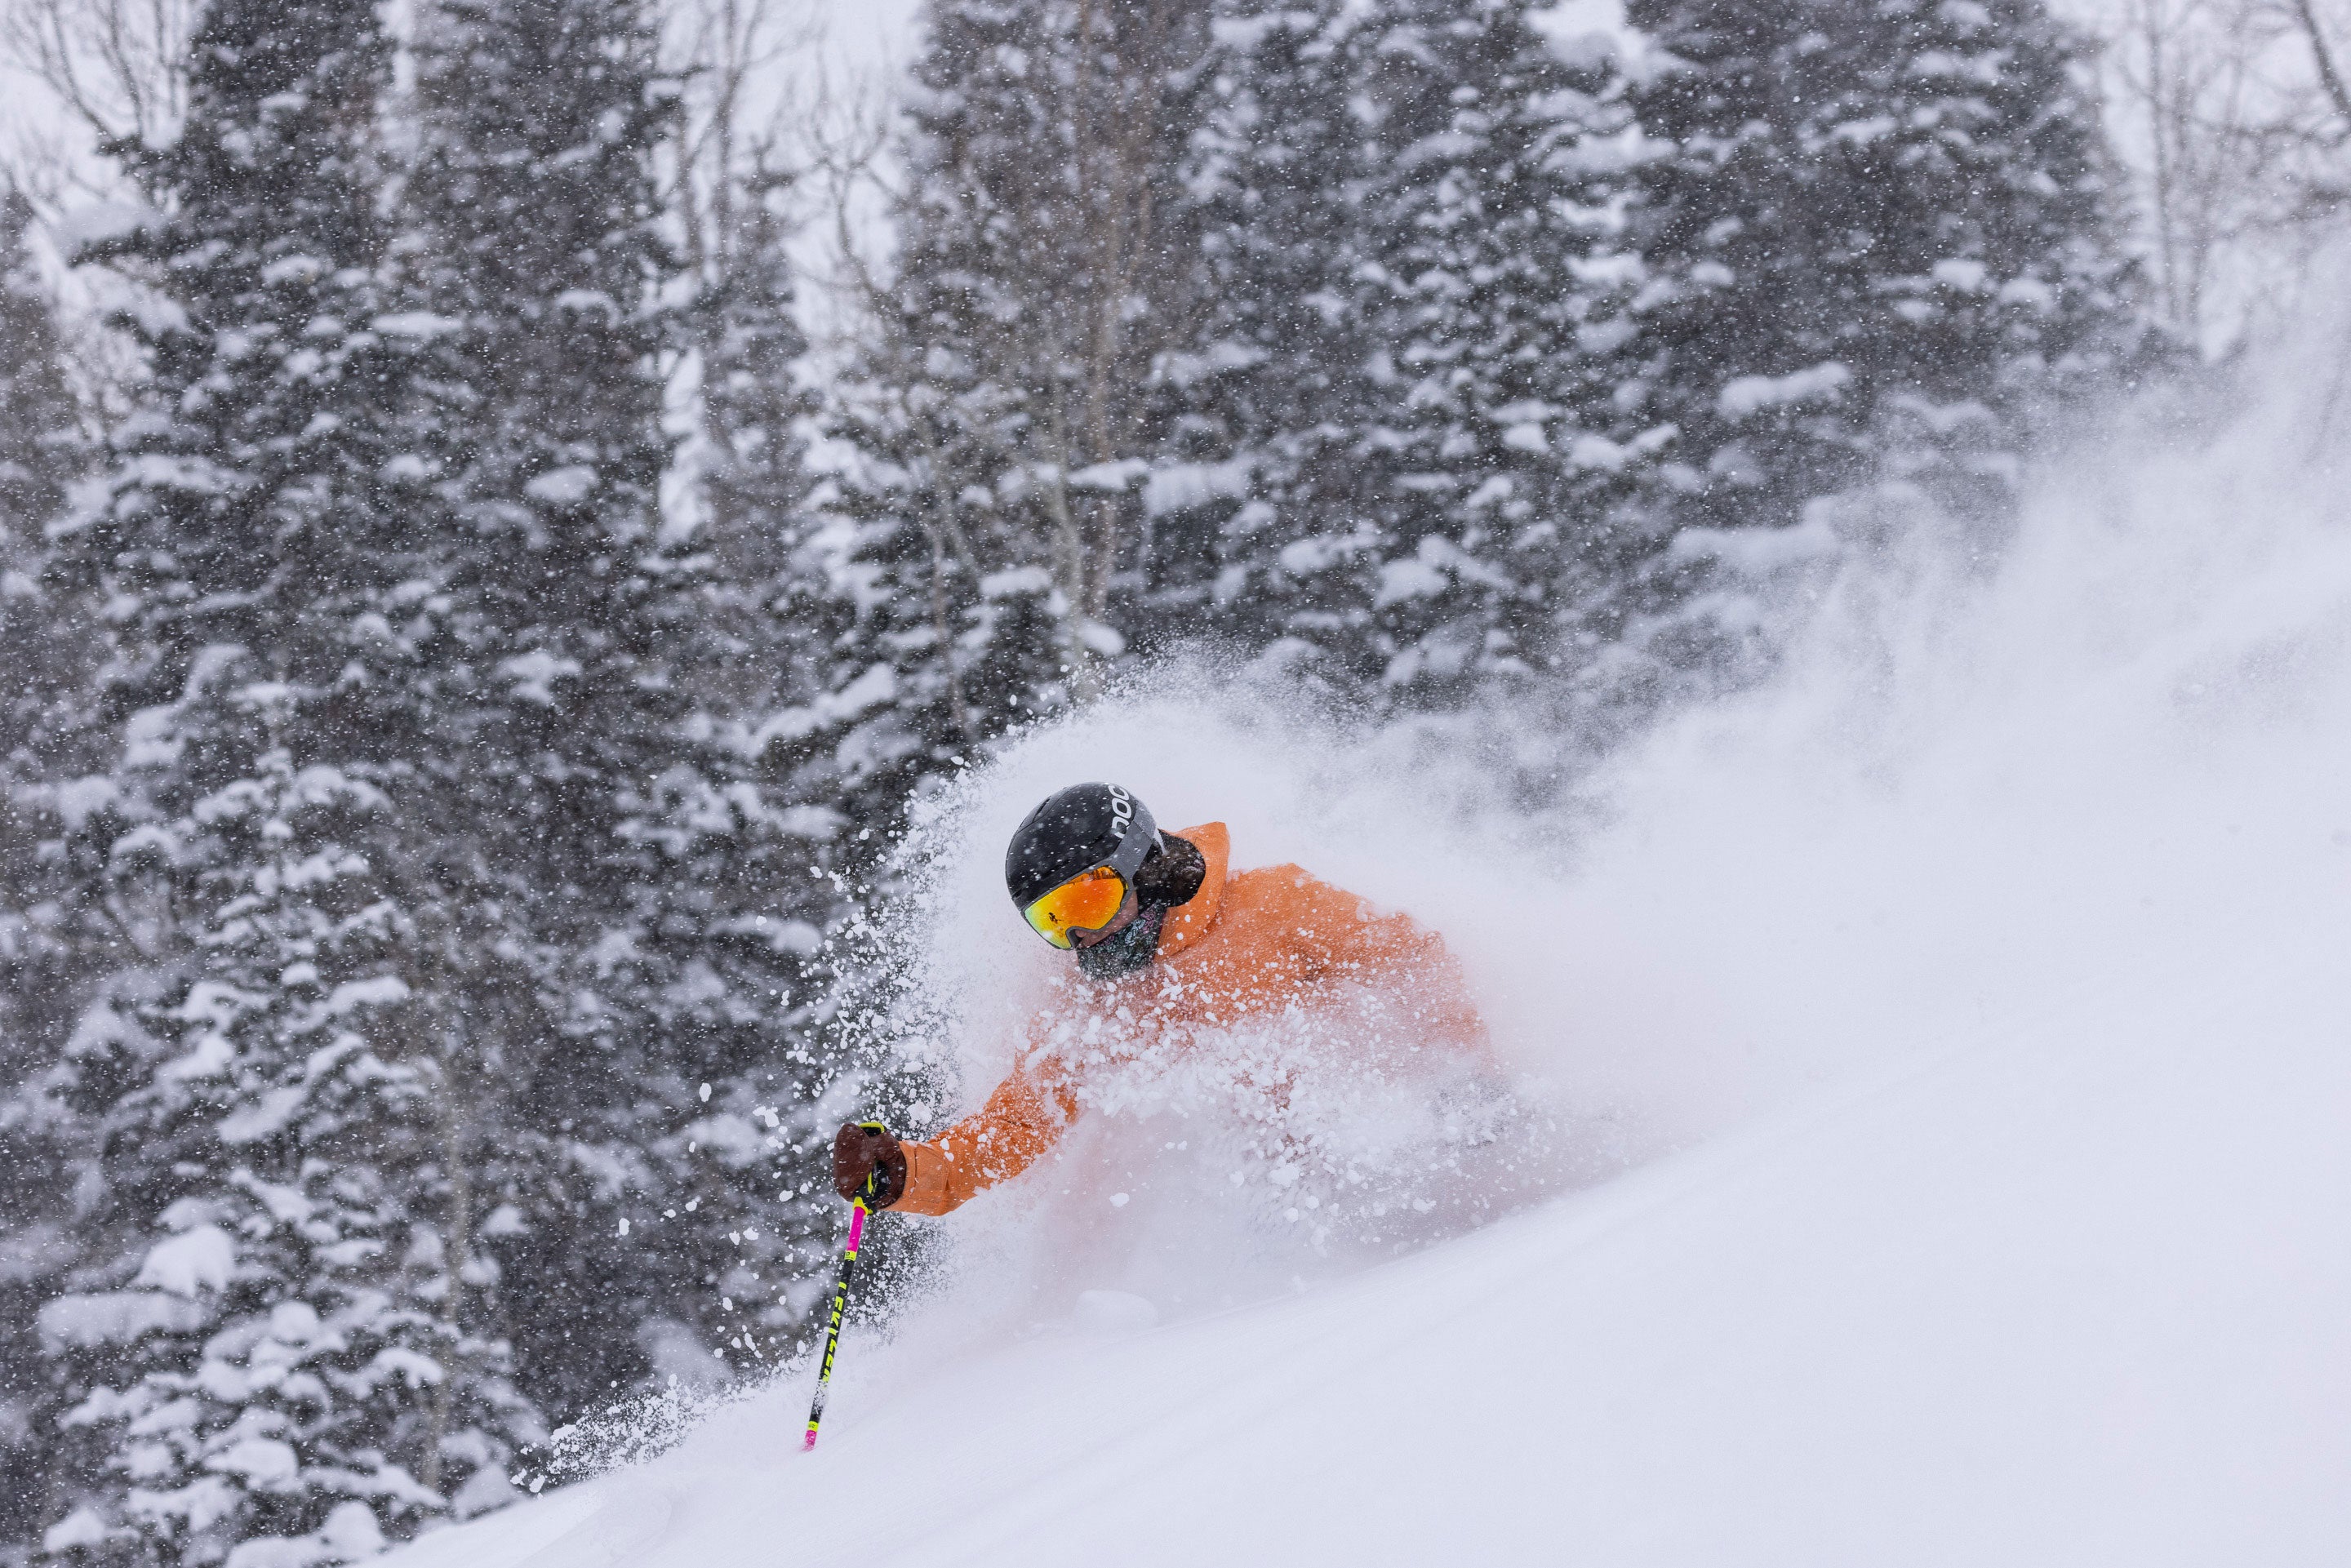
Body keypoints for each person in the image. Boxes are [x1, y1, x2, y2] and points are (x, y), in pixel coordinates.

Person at [831, 782, 1488, 1215]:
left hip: (1396, 1152)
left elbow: (1413, 958)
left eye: (1089, 900)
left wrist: (1462, 1075)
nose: (1084, 935)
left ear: (1143, 863)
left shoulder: (1275, 906)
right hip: (1273, 1218)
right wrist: (904, 1171)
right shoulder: (1089, 1007)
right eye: (1054, 921)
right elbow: (1018, 1124)